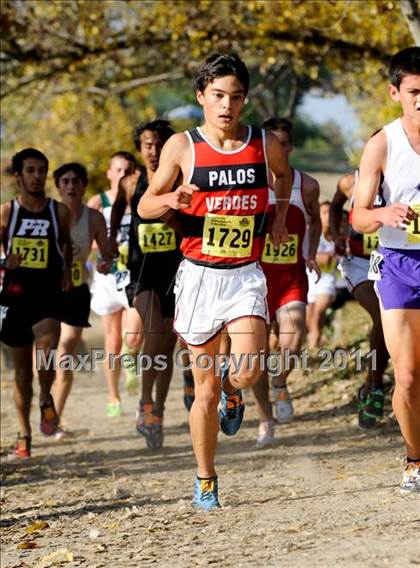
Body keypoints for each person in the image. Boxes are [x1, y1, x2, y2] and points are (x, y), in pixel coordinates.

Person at [138, 53, 292, 509]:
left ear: (245, 99)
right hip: (200, 277)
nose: (227, 105)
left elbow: (283, 179)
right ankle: (206, 479)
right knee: (201, 390)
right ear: (201, 97)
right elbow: (147, 205)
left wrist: (279, 216)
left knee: (248, 369)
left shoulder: (265, 144)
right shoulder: (182, 147)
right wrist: (172, 196)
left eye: (236, 96)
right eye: (218, 96)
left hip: (244, 274)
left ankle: (233, 390)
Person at [352, 47, 420, 494]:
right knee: (409, 377)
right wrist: (383, 213)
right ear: (396, 92)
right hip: (398, 264)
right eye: (415, 91)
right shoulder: (382, 144)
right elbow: (357, 215)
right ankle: (415, 459)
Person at [110, 119, 182, 450]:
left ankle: (159, 411)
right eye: (147, 145)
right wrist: (111, 241)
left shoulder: (182, 180)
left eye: (159, 145)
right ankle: (144, 402)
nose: (153, 151)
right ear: (140, 148)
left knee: (166, 346)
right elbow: (118, 211)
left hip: (176, 270)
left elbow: (192, 226)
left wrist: (173, 217)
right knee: (153, 328)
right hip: (142, 271)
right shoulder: (131, 182)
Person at [252, 117, 321, 448]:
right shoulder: (251, 184)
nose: (275, 150)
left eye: (282, 143)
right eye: (270, 144)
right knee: (256, 355)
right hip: (255, 281)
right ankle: (265, 419)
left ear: (290, 147)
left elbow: (315, 222)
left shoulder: (306, 185)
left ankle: (280, 381)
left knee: (293, 342)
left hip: (291, 277)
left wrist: (310, 253)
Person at [0, 148, 72, 458]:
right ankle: (24, 432)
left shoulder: (59, 212)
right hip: (15, 296)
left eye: (42, 170)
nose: (37, 176)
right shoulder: (6, 212)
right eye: (30, 170)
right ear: (19, 175)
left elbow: (66, 245)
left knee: (45, 348)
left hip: (47, 294)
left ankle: (46, 397)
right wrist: (5, 259)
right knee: (21, 373)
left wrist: (68, 273)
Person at [51, 163, 113, 436]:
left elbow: (107, 253)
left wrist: (105, 262)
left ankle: (54, 419)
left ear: (84, 186)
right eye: (65, 181)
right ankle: (45, 407)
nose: (71, 186)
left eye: (76, 181)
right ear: (58, 187)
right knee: (41, 359)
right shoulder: (47, 213)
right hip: (45, 291)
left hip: (76, 292)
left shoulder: (94, 218)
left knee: (64, 354)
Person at [330, 170, 390, 428]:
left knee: (391, 325)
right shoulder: (350, 181)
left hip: (390, 261)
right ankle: (376, 387)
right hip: (359, 264)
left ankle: (369, 386)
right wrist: (334, 233)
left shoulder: (405, 178)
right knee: (381, 315)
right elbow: (334, 206)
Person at [88, 151, 142, 417]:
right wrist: (105, 248)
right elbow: (86, 235)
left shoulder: (140, 200)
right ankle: (113, 397)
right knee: (112, 340)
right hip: (108, 275)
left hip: (133, 276)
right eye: (118, 170)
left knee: (132, 335)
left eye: (128, 170)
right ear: (109, 173)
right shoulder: (99, 201)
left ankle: (131, 358)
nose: (122, 175)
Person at [306, 201, 337, 349]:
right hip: (310, 280)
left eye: (330, 212)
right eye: (324, 212)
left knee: (318, 313)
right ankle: (316, 343)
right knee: (309, 319)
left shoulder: (338, 234)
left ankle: (314, 345)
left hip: (327, 281)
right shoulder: (310, 233)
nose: (327, 216)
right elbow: (308, 256)